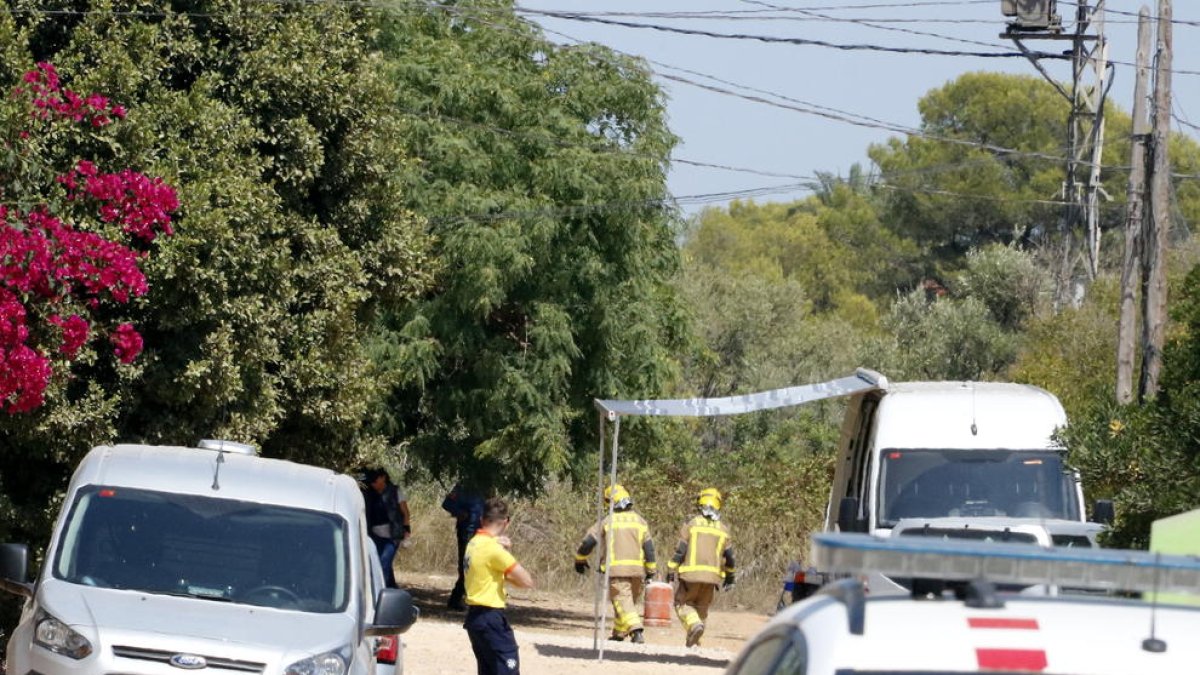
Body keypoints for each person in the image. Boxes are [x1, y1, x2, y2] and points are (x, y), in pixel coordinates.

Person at [573, 484, 656, 644]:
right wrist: (651, 570)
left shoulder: (608, 521)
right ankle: (619, 632)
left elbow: (588, 542)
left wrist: (580, 559)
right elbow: (649, 548)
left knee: (622, 600)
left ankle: (636, 630)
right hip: (637, 571)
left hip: (617, 571)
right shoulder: (640, 521)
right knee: (626, 602)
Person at [463, 497, 534, 675]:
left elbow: (492, 572)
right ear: (505, 522)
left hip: (475, 617)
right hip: (491, 617)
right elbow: (526, 581)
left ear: (482, 520)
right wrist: (507, 553)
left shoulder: (473, 543)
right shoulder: (493, 549)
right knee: (507, 666)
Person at [666, 487, 735, 648]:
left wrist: (671, 570)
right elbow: (730, 558)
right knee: (701, 609)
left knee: (681, 604)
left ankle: (694, 627)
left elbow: (680, 551)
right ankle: (696, 644)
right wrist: (730, 577)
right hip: (712, 579)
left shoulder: (692, 525)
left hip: (691, 576)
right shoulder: (723, 530)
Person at [363, 468, 409, 588]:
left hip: (392, 537)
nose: (373, 484)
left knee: (383, 564)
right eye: (371, 481)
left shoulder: (395, 491)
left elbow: (405, 512)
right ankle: (392, 588)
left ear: (383, 477)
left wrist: (407, 529)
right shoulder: (368, 493)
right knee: (378, 564)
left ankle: (381, 592)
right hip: (375, 536)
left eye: (375, 480)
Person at [443, 481, 486, 610]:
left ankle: (468, 598)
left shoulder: (486, 486)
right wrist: (461, 513)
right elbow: (447, 503)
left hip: (482, 534)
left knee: (478, 566)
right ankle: (457, 599)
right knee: (466, 566)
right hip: (466, 532)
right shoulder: (462, 487)